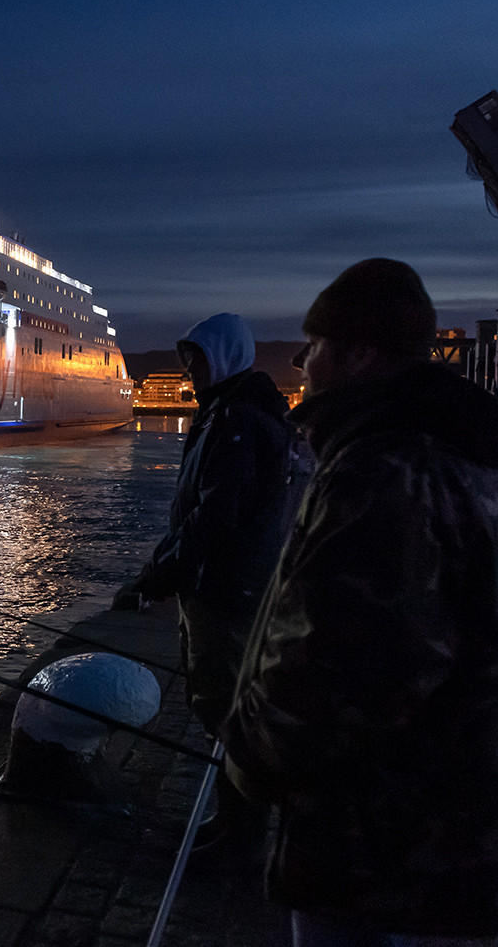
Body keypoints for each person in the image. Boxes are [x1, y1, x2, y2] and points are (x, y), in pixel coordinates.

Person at [221, 259, 498, 945]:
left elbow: (344, 672)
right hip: (446, 823)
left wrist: (251, 754)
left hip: (397, 847)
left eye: (315, 344)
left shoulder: (383, 476)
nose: (302, 360)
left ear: (359, 354)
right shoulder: (429, 454)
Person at [114, 312, 297, 856]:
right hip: (229, 583)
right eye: (187, 361)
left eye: (196, 360)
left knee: (226, 709)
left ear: (223, 357)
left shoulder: (235, 419)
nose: (189, 371)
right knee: (223, 707)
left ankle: (240, 834)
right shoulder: (236, 412)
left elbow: (216, 516)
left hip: (225, 588)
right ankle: (234, 821)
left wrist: (156, 577)